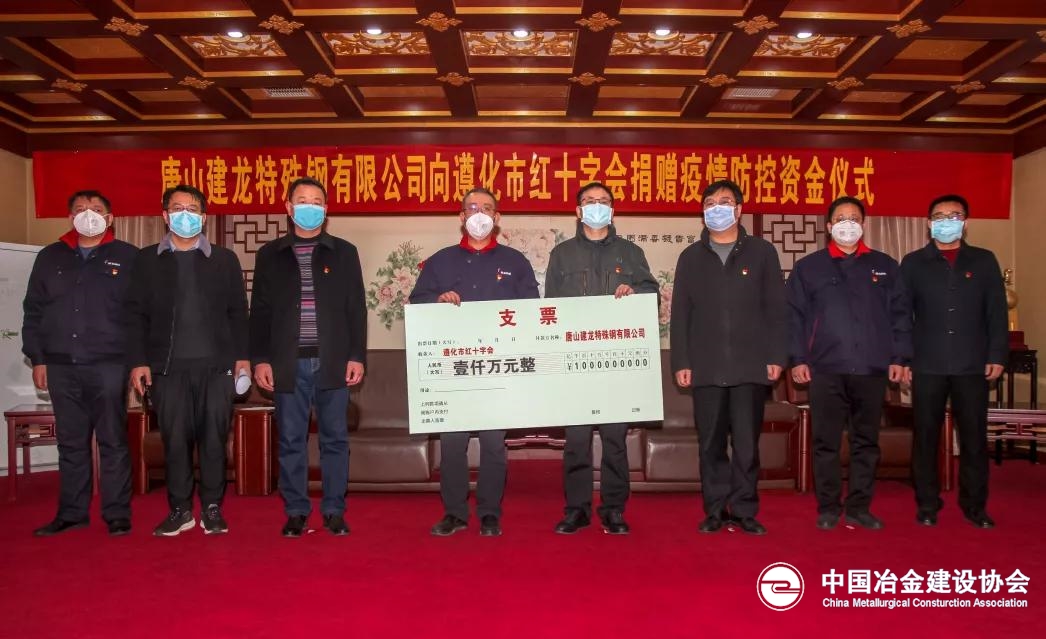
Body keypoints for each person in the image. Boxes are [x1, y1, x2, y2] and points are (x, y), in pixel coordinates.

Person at [408, 187, 539, 537]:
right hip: (453, 369)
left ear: (497, 217)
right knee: (453, 444)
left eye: (487, 208)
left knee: (494, 445)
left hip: (499, 368)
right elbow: (416, 303)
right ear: (461, 216)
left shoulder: (515, 262)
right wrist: (437, 301)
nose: (479, 213)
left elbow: (532, 311)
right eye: (472, 207)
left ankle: (490, 513)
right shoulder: (440, 261)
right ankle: (454, 513)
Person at [126, 184, 249, 537]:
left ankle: (211, 507)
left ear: (203, 217)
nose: (185, 215)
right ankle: (180, 509)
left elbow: (238, 313)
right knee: (175, 440)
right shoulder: (146, 260)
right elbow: (134, 315)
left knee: (213, 440)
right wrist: (138, 361)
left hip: (216, 367)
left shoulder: (224, 260)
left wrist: (242, 357)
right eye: (177, 208)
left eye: (192, 209)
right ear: (165, 216)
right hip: (167, 368)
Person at [250, 176, 366, 538]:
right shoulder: (270, 255)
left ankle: (334, 510)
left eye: (317, 202)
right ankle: (296, 511)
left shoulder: (344, 252)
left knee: (335, 440)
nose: (309, 207)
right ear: (288, 207)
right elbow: (260, 312)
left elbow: (356, 309)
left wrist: (356, 356)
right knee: (290, 440)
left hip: (333, 360)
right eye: (302, 201)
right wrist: (260, 359)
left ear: (326, 210)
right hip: (287, 362)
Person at [670, 179, 788, 536]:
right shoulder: (690, 257)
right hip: (705, 365)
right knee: (710, 444)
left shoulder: (762, 252)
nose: (716, 208)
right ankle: (715, 510)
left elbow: (776, 309)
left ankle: (745, 509)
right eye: (709, 203)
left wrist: (776, 354)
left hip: (751, 365)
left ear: (738, 209)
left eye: (723, 202)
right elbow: (681, 314)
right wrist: (681, 361)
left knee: (747, 444)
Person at [788, 196, 910, 531]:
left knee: (866, 442)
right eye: (840, 218)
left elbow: (900, 315)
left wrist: (900, 357)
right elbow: (794, 318)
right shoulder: (808, 267)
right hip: (825, 368)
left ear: (863, 224)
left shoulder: (885, 266)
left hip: (872, 368)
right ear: (828, 226)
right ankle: (828, 506)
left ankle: (859, 507)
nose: (847, 224)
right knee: (825, 442)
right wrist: (797, 359)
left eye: (854, 218)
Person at [543, 182, 658, 535]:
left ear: (613, 209)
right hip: (575, 364)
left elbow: (651, 294)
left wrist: (634, 292)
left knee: (614, 440)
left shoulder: (631, 253)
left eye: (603, 201)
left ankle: (614, 509)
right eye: (589, 201)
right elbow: (549, 310)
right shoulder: (561, 255)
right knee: (576, 442)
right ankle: (576, 509)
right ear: (578, 211)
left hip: (616, 365)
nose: (597, 206)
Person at [22, 190, 138, 537]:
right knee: (71, 443)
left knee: (113, 441)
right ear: (70, 217)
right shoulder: (49, 256)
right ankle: (72, 513)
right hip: (60, 365)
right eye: (81, 209)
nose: (89, 214)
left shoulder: (129, 257)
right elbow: (33, 311)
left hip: (109, 364)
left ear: (110, 218)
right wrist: (38, 358)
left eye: (97, 209)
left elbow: (139, 315)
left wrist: (136, 361)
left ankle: (117, 514)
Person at [900, 194, 1007, 529]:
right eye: (939, 216)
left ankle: (975, 505)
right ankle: (927, 503)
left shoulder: (984, 260)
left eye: (954, 215)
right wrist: (903, 358)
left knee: (974, 438)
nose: (946, 221)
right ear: (929, 223)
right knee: (925, 437)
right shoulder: (913, 263)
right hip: (926, 363)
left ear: (965, 222)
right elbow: (901, 315)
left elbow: (996, 312)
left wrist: (997, 354)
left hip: (972, 364)